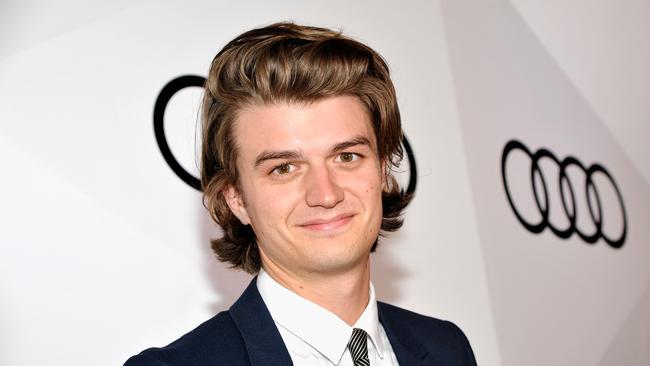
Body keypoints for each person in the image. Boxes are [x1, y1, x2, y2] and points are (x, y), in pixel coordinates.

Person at [125, 22, 477, 366]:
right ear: (236, 199)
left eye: (346, 157)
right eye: (284, 168)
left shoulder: (447, 348)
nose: (325, 194)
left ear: (383, 169)